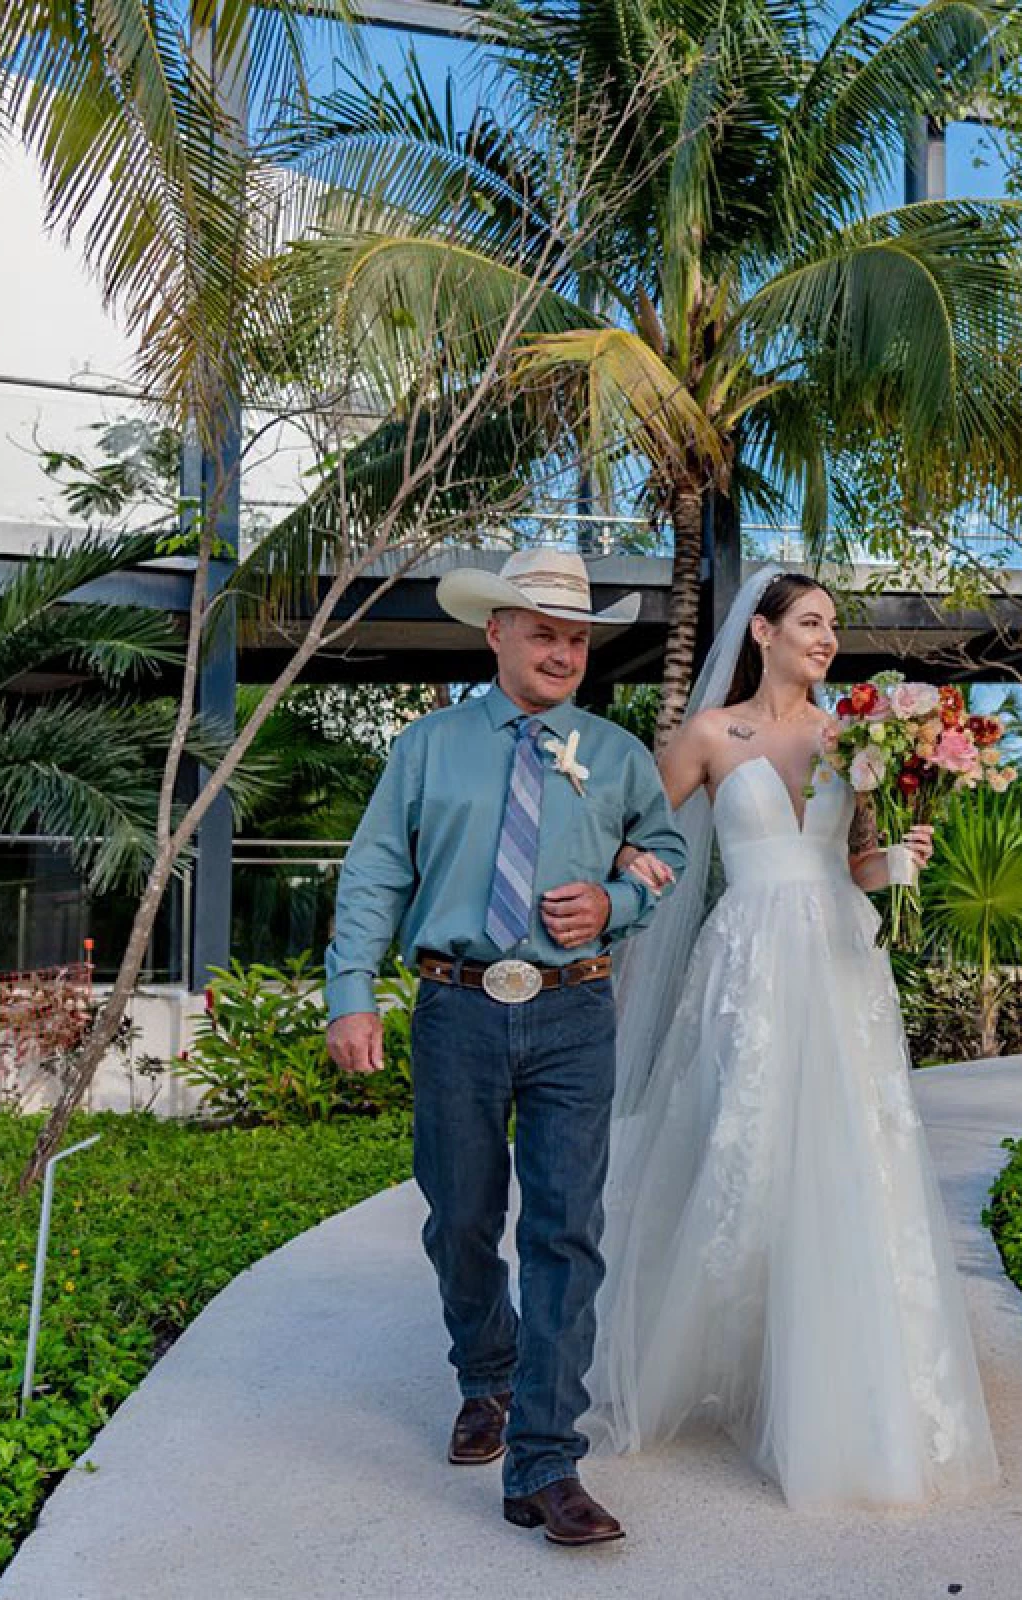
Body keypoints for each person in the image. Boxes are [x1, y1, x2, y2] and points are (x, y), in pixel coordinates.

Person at [566, 568, 1000, 1509]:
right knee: (743, 1156)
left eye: (833, 625)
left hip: (842, 964)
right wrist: (624, 869)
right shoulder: (710, 736)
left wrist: (897, 863)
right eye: (810, 622)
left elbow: (851, 866)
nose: (827, 638)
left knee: (851, 1159)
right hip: (750, 969)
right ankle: (714, 1358)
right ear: (760, 632)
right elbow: (637, 833)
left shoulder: (855, 734)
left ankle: (843, 1391)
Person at [324, 548, 687, 1548]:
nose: (565, 650)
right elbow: (372, 874)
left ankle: (545, 1459)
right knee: (462, 1216)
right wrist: (350, 994)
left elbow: (671, 853)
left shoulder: (615, 754)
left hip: (576, 1012)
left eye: (577, 636)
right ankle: (485, 1375)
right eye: (544, 632)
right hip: (458, 1009)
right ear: (497, 634)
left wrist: (614, 900)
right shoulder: (428, 748)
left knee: (566, 1228)